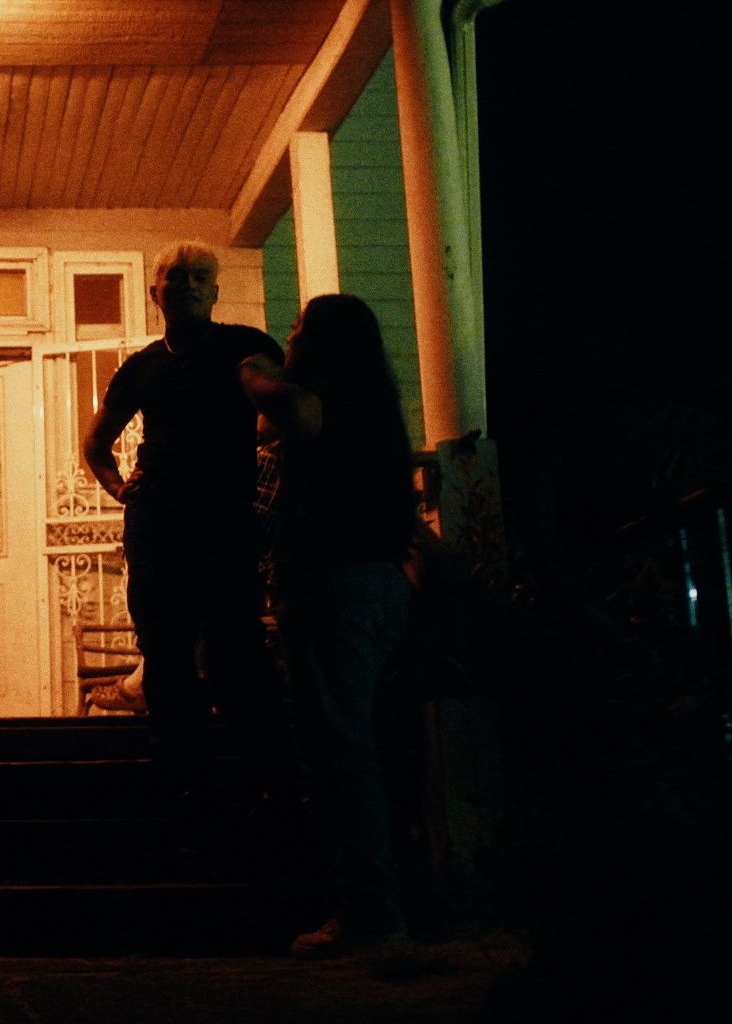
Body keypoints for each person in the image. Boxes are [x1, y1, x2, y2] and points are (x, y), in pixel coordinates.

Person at [80, 240, 287, 831]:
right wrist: (120, 488)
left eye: (201, 277)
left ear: (216, 291)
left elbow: (282, 419)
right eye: (176, 277)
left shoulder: (248, 348)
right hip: (159, 526)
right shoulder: (142, 366)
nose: (189, 285)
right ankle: (182, 786)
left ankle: (262, 786)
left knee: (234, 648)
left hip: (225, 522)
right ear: (156, 293)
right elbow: (96, 443)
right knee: (166, 652)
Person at [237, 293, 419, 955]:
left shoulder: (320, 395)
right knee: (359, 745)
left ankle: (374, 916)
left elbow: (288, 412)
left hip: (333, 585)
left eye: (299, 325)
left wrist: (252, 369)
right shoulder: (373, 401)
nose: (289, 332)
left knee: (341, 752)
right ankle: (373, 906)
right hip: (379, 582)